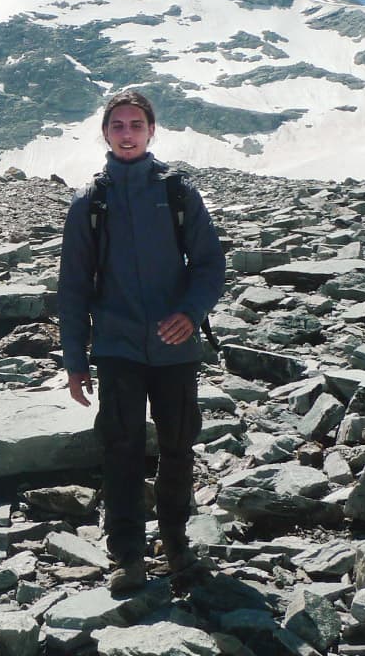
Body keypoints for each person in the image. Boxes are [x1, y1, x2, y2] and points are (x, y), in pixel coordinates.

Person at [58, 90, 226, 593]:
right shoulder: (91, 202)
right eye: (118, 126)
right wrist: (74, 359)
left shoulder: (177, 194)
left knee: (177, 444)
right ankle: (127, 553)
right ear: (105, 134)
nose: (127, 133)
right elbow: (73, 286)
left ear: (151, 131)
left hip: (175, 346)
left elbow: (211, 264)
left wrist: (191, 314)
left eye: (136, 125)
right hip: (116, 346)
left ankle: (176, 543)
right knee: (121, 447)